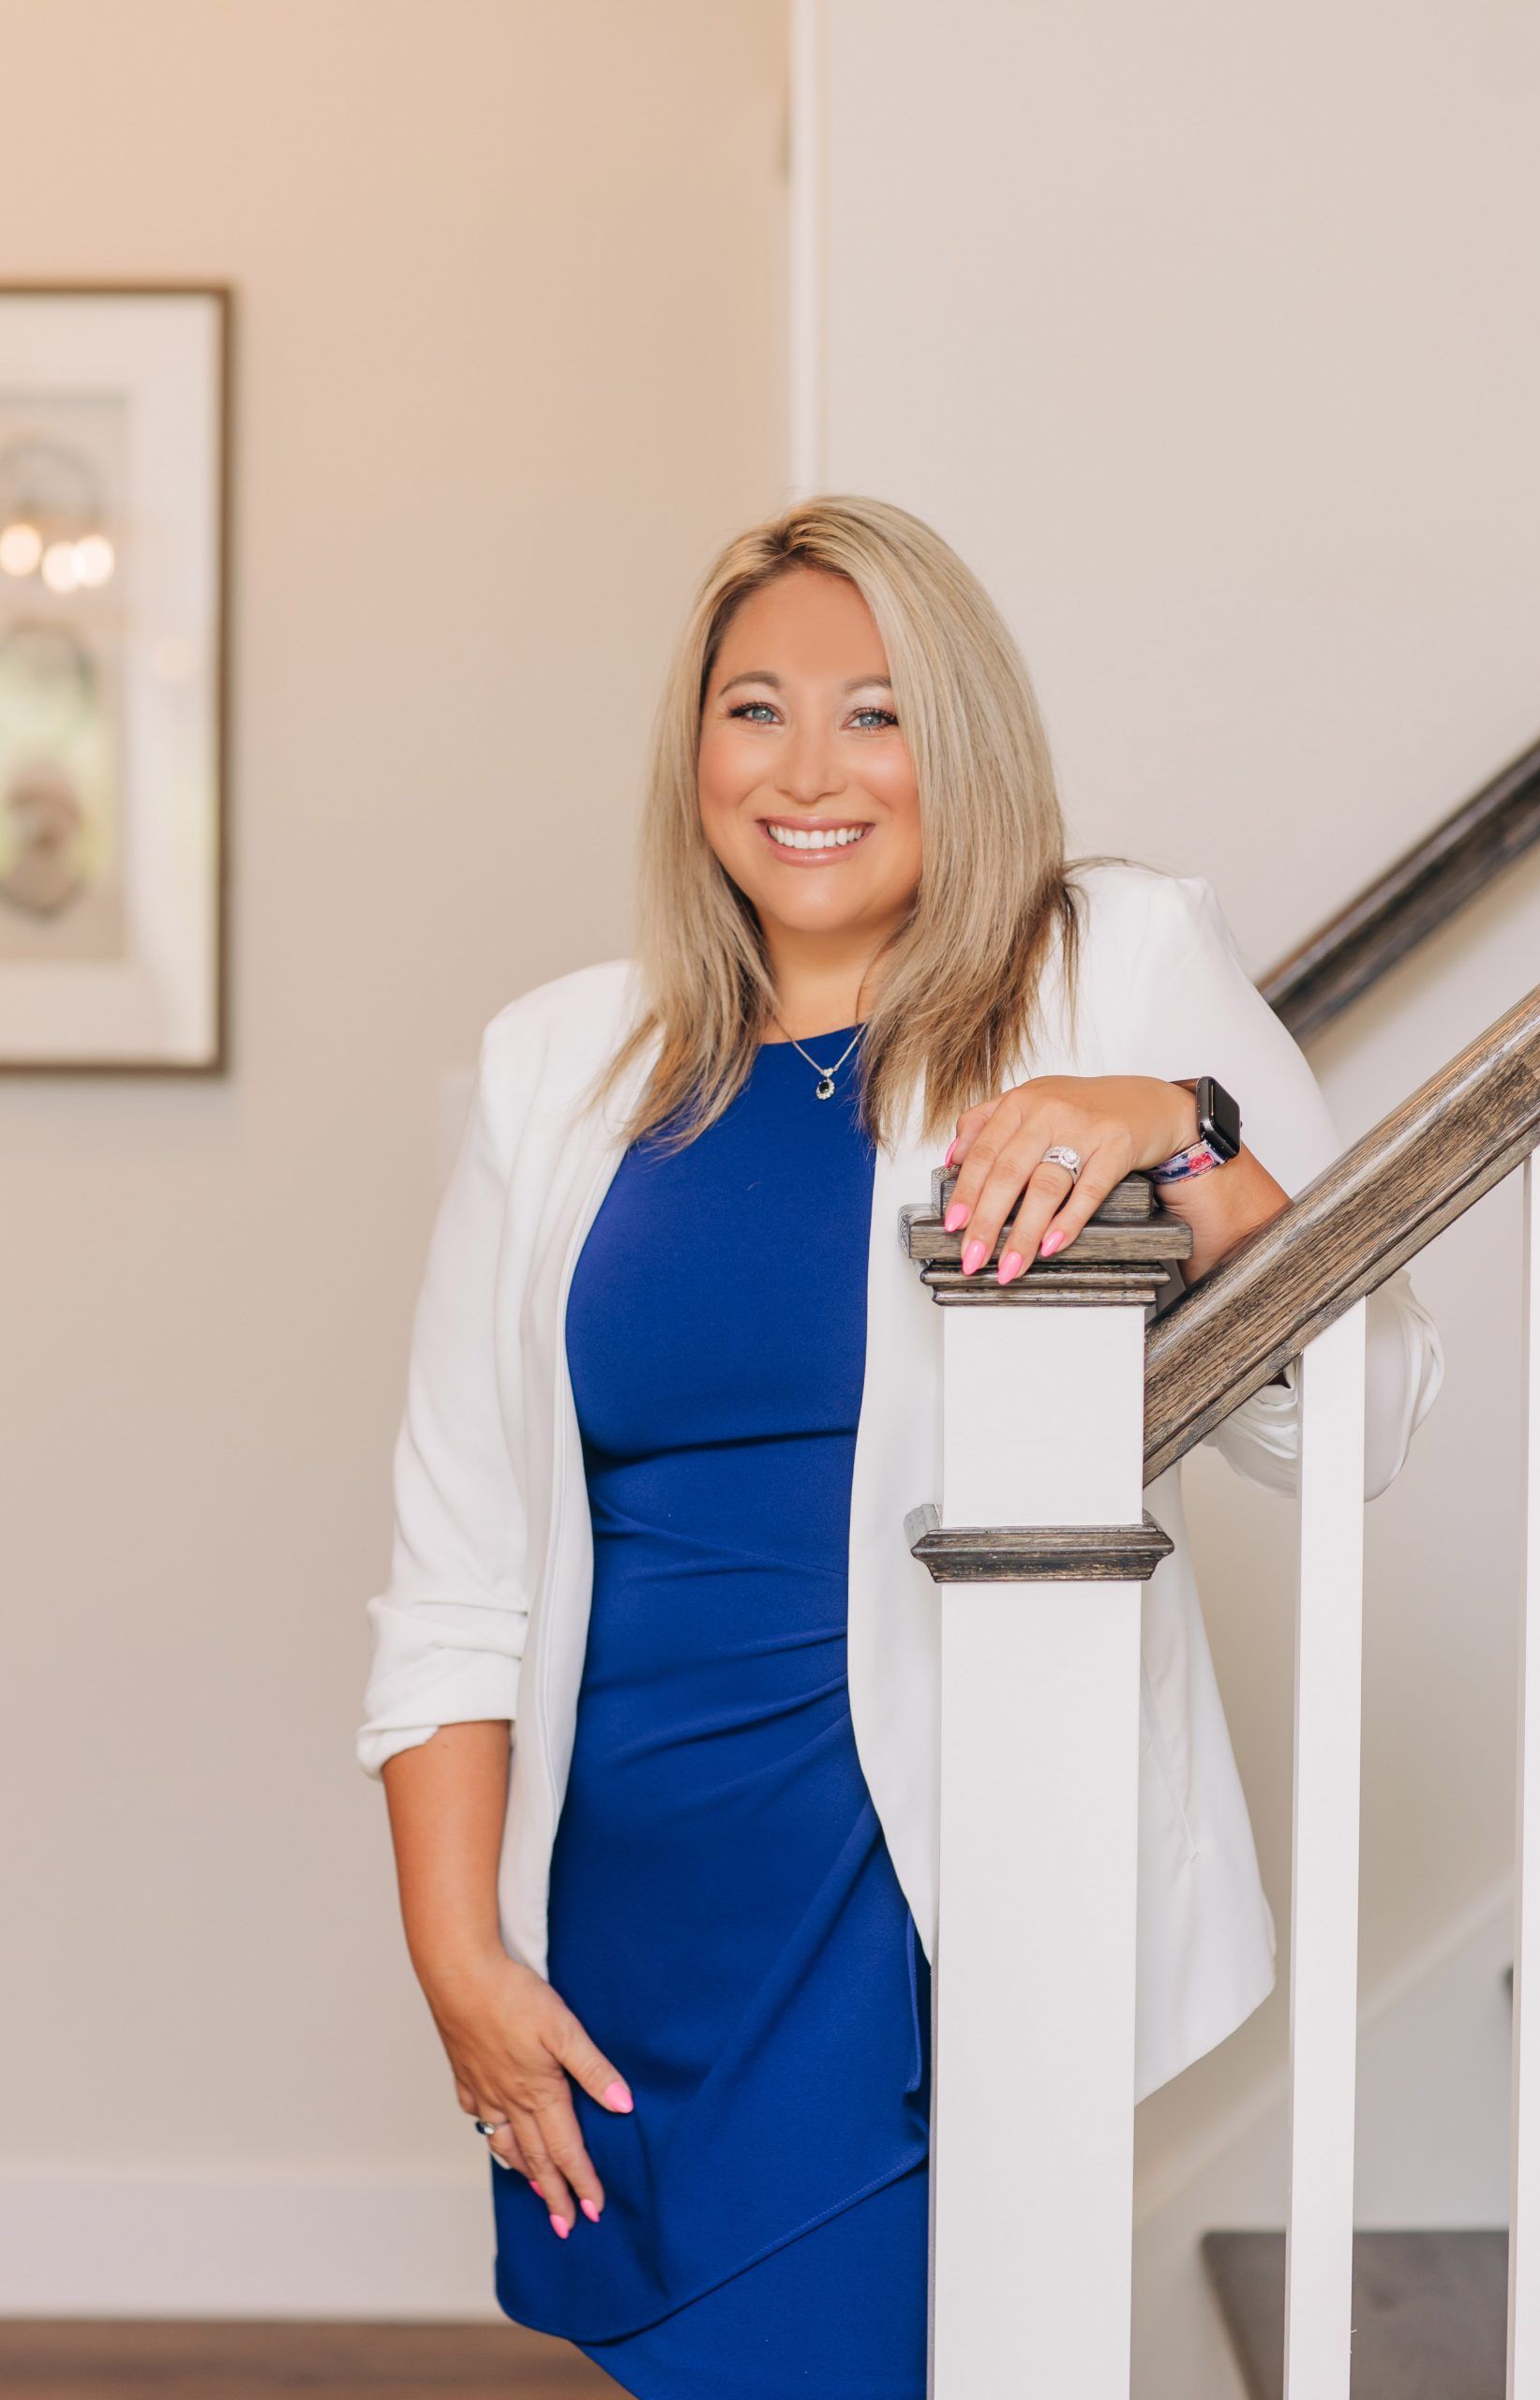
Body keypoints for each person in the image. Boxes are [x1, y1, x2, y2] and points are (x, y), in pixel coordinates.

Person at [356, 494, 1443, 2398]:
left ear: (964, 740)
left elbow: (1351, 1412)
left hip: (920, 1907)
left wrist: (1177, 1129)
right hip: (626, 1920)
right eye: (752, 706)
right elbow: (458, 1564)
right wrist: (458, 1955)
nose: (805, 769)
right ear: (691, 746)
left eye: (873, 713)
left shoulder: (1109, 966)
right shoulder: (557, 1063)